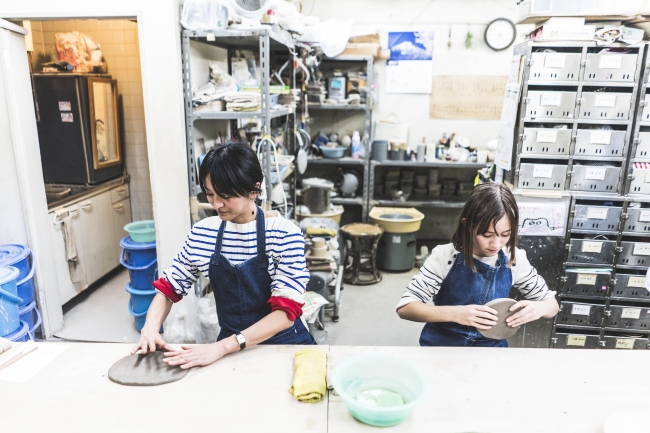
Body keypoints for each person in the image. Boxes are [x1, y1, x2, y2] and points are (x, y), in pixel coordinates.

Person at [132, 142, 315, 368]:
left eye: (226, 196)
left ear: (254, 190)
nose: (217, 204)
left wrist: (222, 347)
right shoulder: (203, 233)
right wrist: (150, 328)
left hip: (285, 343)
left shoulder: (283, 234)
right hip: (231, 346)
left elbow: (286, 313)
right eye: (209, 194)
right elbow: (170, 287)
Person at [396, 182, 559, 347]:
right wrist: (455, 314)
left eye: (505, 234)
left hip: (490, 349)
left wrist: (539, 308)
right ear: (467, 224)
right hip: (443, 346)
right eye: (487, 234)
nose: (496, 243)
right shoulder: (445, 256)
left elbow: (552, 306)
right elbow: (406, 307)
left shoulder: (514, 259)